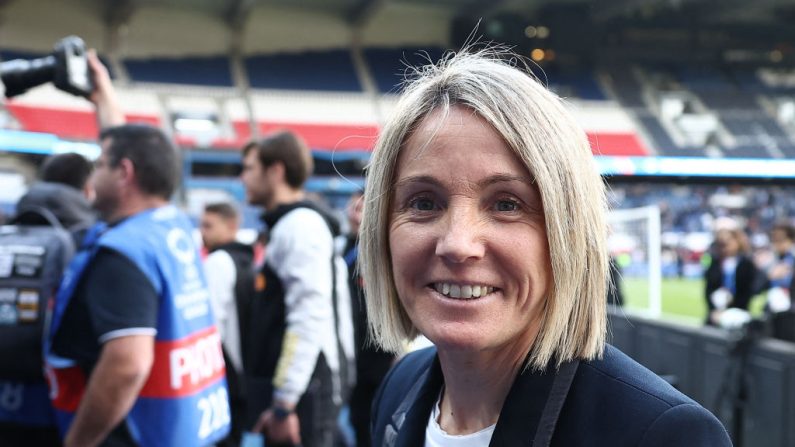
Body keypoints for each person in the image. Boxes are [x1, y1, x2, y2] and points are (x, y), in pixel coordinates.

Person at [360, 49, 732, 446]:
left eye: (507, 204)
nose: (458, 244)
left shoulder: (663, 433)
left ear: (568, 233)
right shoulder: (400, 385)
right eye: (423, 203)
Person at [44, 124, 231, 447]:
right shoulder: (174, 226)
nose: (93, 176)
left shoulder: (125, 251)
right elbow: (142, 148)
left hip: (132, 432)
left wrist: (78, 442)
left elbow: (127, 365)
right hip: (181, 427)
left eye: (101, 165)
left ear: (125, 173)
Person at [240, 131, 355, 447]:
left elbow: (308, 315)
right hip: (306, 384)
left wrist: (285, 402)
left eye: (249, 168)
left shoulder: (299, 226)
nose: (242, 178)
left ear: (275, 171)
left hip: (307, 389)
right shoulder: (290, 224)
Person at [342, 191, 396, 447]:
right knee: (357, 420)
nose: (355, 214)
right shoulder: (341, 248)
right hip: (352, 354)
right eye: (352, 207)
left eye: (362, 208)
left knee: (379, 422)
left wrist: (398, 349)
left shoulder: (385, 252)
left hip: (380, 355)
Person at [200, 201, 255, 446]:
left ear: (231, 226)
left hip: (224, 375)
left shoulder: (218, 262)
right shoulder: (246, 261)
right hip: (245, 372)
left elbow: (208, 325)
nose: (203, 232)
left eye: (209, 226)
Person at [704, 226, 760, 326]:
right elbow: (708, 290)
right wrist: (714, 309)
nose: (724, 248)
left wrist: (732, 302)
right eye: (720, 245)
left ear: (737, 241)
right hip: (715, 315)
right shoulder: (715, 264)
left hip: (739, 314)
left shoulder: (746, 264)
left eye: (726, 244)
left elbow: (749, 290)